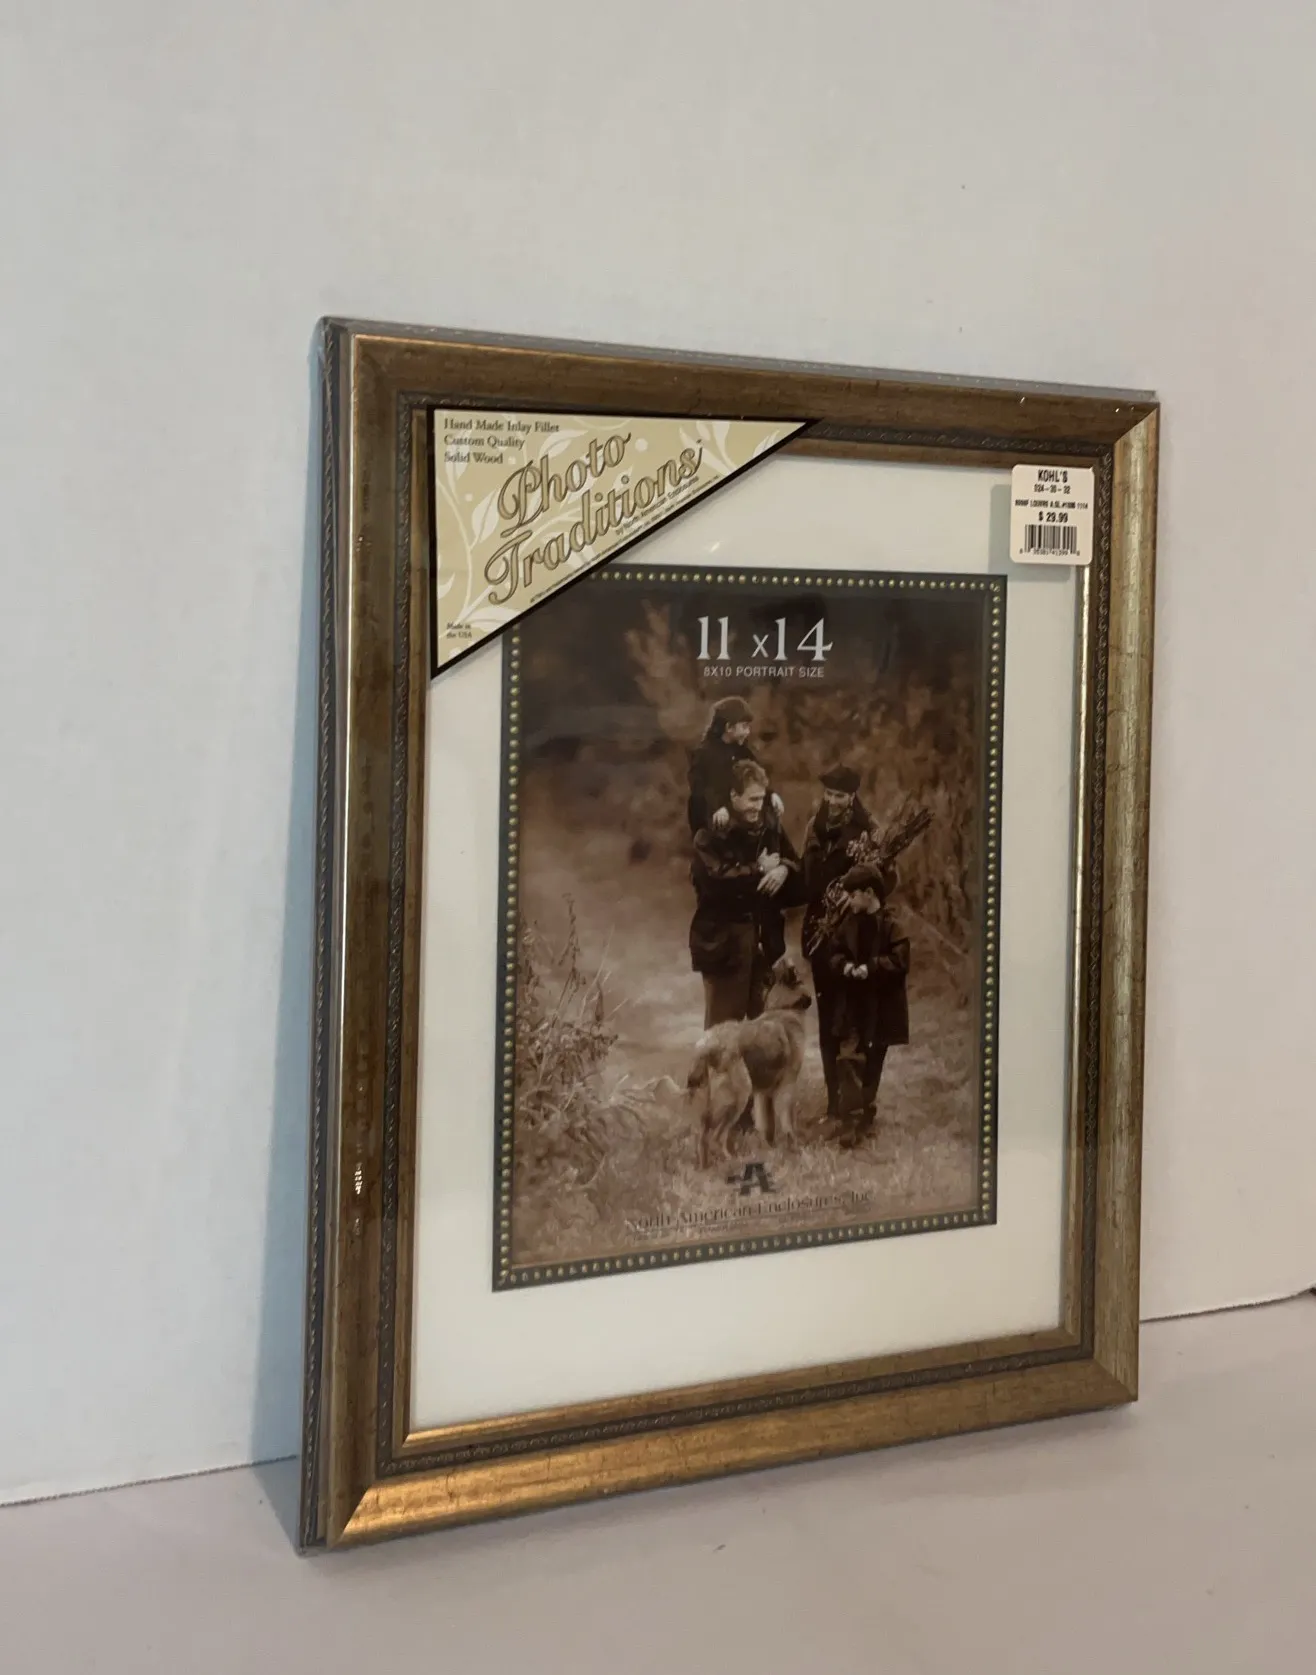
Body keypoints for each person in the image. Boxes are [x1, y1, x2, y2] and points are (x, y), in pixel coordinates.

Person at [799, 766, 895, 1117]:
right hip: (822, 935)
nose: (833, 801)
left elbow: (888, 882)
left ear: (852, 796)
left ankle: (864, 1100)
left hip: (860, 937)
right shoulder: (814, 828)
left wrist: (856, 893)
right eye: (828, 794)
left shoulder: (870, 830)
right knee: (829, 1021)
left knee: (862, 1019)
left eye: (839, 795)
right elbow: (805, 878)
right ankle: (834, 1101)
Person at [689, 759, 800, 1027]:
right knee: (723, 1031)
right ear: (733, 796)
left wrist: (784, 869)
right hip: (724, 946)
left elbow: (796, 863)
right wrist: (759, 869)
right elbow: (717, 881)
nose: (757, 806)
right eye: (752, 799)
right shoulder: (710, 835)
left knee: (764, 1032)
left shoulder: (770, 826)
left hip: (764, 944)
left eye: (761, 799)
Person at [815, 863, 910, 1147]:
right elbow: (834, 953)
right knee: (848, 1058)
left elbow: (900, 962)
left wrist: (871, 968)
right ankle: (851, 1120)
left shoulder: (892, 925)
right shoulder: (848, 924)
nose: (849, 900)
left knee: (873, 1062)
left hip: (881, 1008)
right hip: (852, 1006)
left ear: (869, 893)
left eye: (853, 895)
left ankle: (865, 1113)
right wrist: (844, 967)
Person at [687, 696, 784, 837]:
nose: (748, 732)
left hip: (735, 809)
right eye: (744, 726)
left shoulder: (741, 749)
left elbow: (756, 776)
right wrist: (718, 807)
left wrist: (771, 794)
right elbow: (700, 789)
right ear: (729, 727)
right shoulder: (704, 754)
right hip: (710, 815)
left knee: (769, 819)